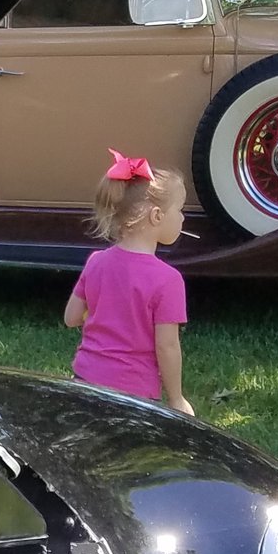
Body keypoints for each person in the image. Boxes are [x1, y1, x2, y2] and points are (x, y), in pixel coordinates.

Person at [64, 151, 193, 413]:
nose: (182, 218)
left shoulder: (96, 261)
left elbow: (71, 318)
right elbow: (166, 346)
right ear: (156, 216)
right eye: (179, 210)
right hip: (134, 395)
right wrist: (177, 398)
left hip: (84, 382)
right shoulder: (168, 280)